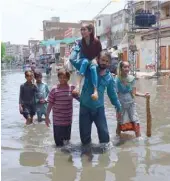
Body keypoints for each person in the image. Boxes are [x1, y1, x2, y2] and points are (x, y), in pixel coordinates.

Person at [70, 50, 122, 145]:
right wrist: (77, 48)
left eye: (107, 61)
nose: (104, 63)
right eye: (102, 60)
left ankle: (104, 157)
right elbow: (72, 60)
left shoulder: (109, 77)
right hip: (85, 107)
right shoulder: (89, 69)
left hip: (99, 109)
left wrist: (118, 107)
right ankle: (86, 156)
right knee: (85, 139)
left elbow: (112, 94)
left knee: (104, 137)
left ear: (109, 63)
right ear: (98, 59)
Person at [45, 69, 79, 147]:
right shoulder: (54, 89)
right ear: (58, 78)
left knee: (67, 143)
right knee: (58, 144)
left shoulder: (72, 89)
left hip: (67, 120)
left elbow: (80, 99)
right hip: (57, 121)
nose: (62, 79)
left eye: (64, 77)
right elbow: (50, 104)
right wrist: (47, 117)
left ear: (68, 78)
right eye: (60, 77)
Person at [115, 61, 150, 138]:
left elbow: (134, 93)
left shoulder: (132, 79)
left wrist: (144, 95)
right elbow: (116, 95)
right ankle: (117, 137)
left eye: (128, 67)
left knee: (135, 120)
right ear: (121, 68)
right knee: (119, 121)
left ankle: (138, 138)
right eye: (125, 67)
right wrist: (117, 108)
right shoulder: (117, 80)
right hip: (121, 104)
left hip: (131, 103)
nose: (127, 68)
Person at [70, 23, 102, 101]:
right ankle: (78, 86)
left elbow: (100, 54)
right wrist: (74, 51)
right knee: (84, 62)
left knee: (93, 68)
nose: (82, 31)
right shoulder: (80, 42)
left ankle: (95, 90)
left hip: (92, 62)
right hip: (83, 61)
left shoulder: (96, 41)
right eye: (81, 30)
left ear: (90, 31)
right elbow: (74, 56)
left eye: (84, 29)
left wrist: (95, 59)